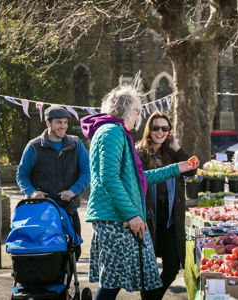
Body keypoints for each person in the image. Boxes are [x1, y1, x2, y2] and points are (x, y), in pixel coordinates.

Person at [80, 84, 198, 300]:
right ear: (127, 110)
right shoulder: (112, 132)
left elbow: (139, 178)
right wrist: (131, 214)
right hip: (115, 219)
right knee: (113, 282)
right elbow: (109, 178)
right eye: (137, 110)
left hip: (117, 218)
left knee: (122, 279)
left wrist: (176, 168)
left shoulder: (115, 131)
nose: (138, 115)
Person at [136, 111, 196, 300]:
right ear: (149, 130)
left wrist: (177, 146)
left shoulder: (172, 152)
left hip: (170, 218)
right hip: (148, 217)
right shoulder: (139, 152)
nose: (160, 132)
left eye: (164, 128)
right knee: (147, 268)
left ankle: (153, 298)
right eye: (155, 128)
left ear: (169, 131)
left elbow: (191, 174)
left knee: (172, 266)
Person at [16, 105, 91, 258]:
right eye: (59, 122)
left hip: (69, 208)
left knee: (74, 251)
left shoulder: (76, 144)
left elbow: (87, 172)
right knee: (47, 252)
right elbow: (22, 175)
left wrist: (73, 191)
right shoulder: (34, 146)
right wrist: (32, 192)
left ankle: (66, 280)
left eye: (65, 122)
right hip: (42, 210)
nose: (63, 126)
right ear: (48, 123)